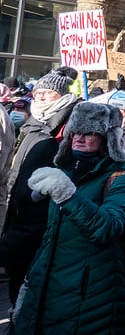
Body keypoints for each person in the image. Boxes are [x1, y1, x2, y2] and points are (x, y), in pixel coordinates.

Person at [13, 102, 125, 332]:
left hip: (89, 289)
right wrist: (31, 282)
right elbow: (51, 236)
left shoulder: (119, 178)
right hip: (50, 283)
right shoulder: (68, 170)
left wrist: (68, 196)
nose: (79, 137)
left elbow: (111, 226)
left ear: (107, 139)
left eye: (90, 133)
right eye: (76, 131)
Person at [0, 66, 79, 310]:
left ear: (62, 95)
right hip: (19, 209)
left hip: (45, 215)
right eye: (38, 92)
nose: (41, 96)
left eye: (48, 93)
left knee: (35, 281)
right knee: (17, 276)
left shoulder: (72, 123)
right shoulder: (31, 123)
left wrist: (40, 194)